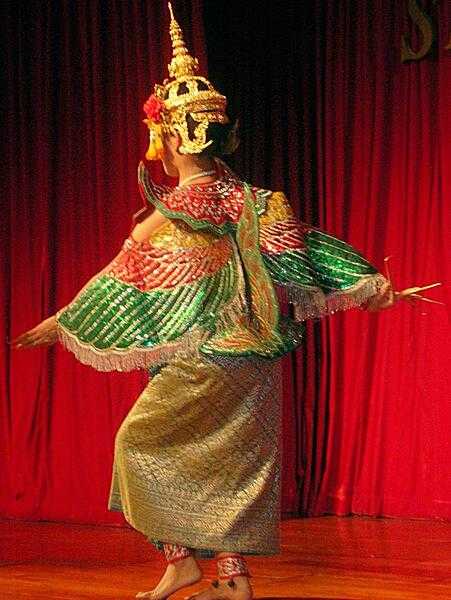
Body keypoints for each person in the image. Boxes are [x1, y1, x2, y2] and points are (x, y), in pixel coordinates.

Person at [13, 4, 424, 600]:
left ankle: (181, 561)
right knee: (230, 467)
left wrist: (65, 320)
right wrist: (372, 286)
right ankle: (231, 580)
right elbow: (307, 254)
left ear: (172, 136)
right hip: (256, 360)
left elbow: (123, 274)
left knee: (137, 445)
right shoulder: (258, 202)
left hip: (204, 356)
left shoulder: (178, 210)